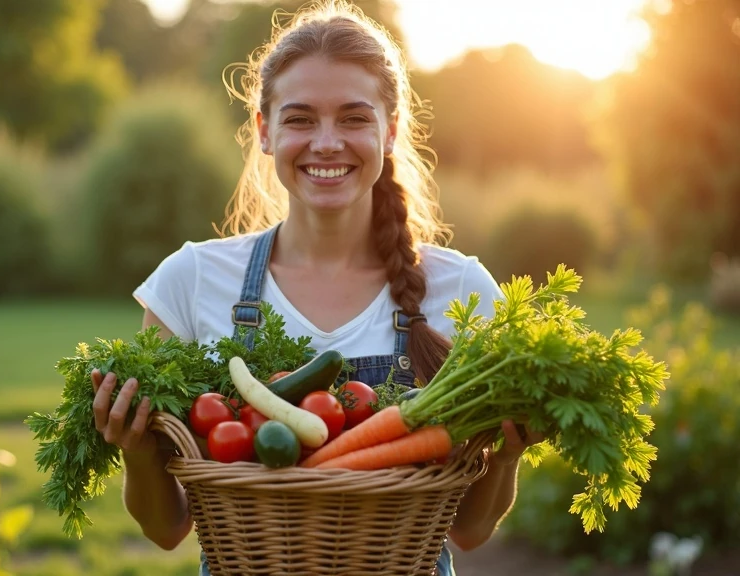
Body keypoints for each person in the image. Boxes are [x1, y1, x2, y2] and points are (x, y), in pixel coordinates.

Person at [90, 1, 544, 574]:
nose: (326, 143)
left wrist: (505, 458)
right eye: (301, 119)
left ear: (391, 130)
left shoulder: (461, 289)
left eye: (354, 118)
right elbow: (166, 528)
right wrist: (137, 452)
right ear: (264, 131)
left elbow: (471, 532)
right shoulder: (193, 281)